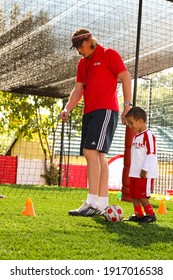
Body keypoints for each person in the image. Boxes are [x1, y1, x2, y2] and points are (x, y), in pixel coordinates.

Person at [60, 28, 132, 216]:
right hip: (89, 112)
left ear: (89, 40)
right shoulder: (82, 63)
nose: (78, 50)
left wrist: (127, 105)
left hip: (106, 110)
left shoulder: (109, 54)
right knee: (99, 156)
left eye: (80, 46)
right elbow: (78, 89)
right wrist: (67, 108)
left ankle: (91, 202)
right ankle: (101, 204)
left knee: (90, 151)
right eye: (75, 47)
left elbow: (125, 77)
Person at [124, 106, 158, 223]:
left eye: (131, 122)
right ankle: (138, 214)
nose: (129, 125)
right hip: (134, 172)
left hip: (144, 173)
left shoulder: (148, 135)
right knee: (134, 194)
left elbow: (151, 152)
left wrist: (145, 169)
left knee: (142, 195)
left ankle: (150, 214)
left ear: (140, 121)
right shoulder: (136, 137)